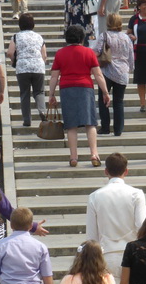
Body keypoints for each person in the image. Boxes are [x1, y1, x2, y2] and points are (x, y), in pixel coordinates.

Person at [48, 23, 111, 168]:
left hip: (66, 89)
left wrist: (51, 94)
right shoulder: (88, 53)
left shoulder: (60, 54)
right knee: (90, 123)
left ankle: (73, 157)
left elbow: (54, 77)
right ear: (82, 37)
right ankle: (94, 154)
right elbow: (98, 74)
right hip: (85, 88)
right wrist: (105, 92)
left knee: (71, 125)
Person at [86, 152, 146, 277]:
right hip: (133, 254)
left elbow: (92, 235)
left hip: (107, 255)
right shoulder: (136, 194)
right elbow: (142, 226)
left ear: (106, 171)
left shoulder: (94, 196)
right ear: (126, 171)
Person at [94, 12, 134, 136]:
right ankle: (118, 129)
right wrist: (131, 68)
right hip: (122, 71)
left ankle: (105, 127)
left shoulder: (104, 35)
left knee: (103, 99)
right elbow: (131, 54)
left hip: (107, 70)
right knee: (119, 101)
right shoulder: (126, 38)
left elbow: (96, 52)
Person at [7, 13, 47, 127]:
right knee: (39, 92)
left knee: (24, 93)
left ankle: (27, 120)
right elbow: (44, 55)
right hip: (38, 66)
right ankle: (42, 111)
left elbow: (10, 52)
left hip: (22, 67)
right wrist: (39, 63)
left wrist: (14, 60)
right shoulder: (39, 37)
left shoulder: (16, 37)